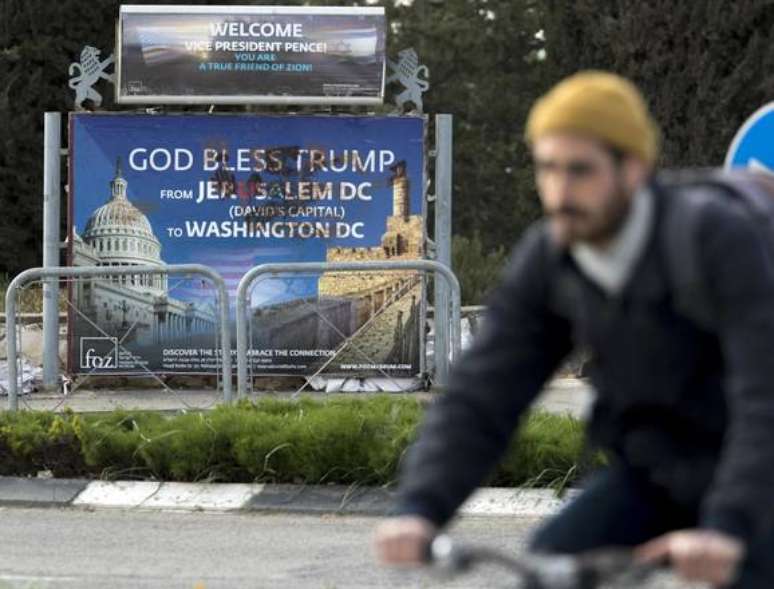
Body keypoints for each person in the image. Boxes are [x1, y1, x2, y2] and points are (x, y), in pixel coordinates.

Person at [373, 71, 774, 588]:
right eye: (548, 169)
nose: (560, 192)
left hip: (759, 478)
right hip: (658, 476)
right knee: (550, 563)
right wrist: (421, 506)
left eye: (580, 171)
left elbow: (764, 396)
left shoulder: (714, 237)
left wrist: (729, 526)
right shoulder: (553, 257)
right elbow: (485, 392)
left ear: (633, 169)